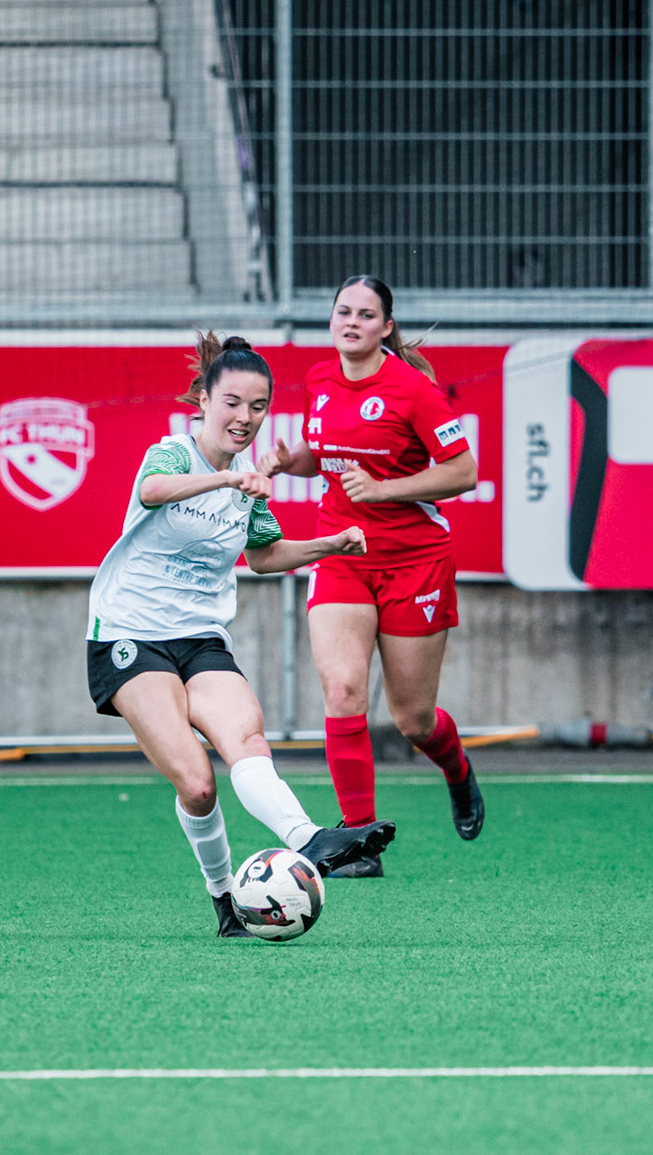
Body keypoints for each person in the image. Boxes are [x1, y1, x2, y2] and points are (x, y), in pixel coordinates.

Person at [85, 332, 395, 936]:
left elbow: (266, 555)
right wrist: (227, 482)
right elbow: (152, 493)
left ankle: (313, 839)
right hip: (129, 634)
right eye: (232, 403)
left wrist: (328, 543)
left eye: (258, 407)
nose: (244, 419)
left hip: (200, 638)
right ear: (203, 398)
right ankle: (224, 899)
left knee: (247, 742)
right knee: (198, 786)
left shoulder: (248, 489)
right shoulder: (174, 454)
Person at [270, 275, 484, 877]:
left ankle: (458, 771)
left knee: (413, 719)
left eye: (367, 314)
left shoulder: (413, 391)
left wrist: (386, 488)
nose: (353, 322)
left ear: (386, 326)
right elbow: (328, 458)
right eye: (344, 311)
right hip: (341, 548)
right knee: (341, 691)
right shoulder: (318, 380)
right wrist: (296, 461)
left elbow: (463, 471)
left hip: (415, 561)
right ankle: (358, 845)